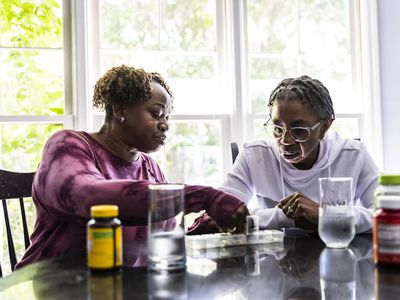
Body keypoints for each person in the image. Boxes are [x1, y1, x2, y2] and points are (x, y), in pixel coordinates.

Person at [16, 65, 248, 269]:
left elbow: (159, 238)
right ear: (120, 110)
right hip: (48, 288)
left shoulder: (150, 168)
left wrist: (207, 226)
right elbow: (88, 197)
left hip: (117, 290)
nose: (165, 125)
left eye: (168, 117)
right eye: (156, 114)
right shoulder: (69, 145)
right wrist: (206, 197)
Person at [221, 75, 378, 233]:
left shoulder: (353, 155)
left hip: (337, 253)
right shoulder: (254, 156)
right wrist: (286, 217)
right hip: (271, 255)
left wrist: (326, 215)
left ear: (325, 126)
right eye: (277, 128)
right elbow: (222, 215)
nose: (286, 140)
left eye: (299, 131)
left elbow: (388, 216)